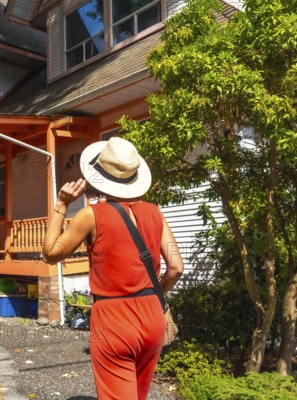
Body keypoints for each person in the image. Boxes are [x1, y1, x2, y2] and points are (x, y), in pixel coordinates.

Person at [43, 137, 184, 400]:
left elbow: (51, 254)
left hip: (113, 318)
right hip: (153, 315)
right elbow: (176, 266)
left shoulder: (91, 215)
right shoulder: (155, 212)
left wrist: (61, 206)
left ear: (99, 175)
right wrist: (156, 296)